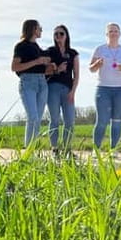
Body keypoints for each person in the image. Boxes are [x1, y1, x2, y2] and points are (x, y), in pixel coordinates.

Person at [89, 22, 121, 149]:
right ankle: (96, 150)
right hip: (103, 88)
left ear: (119, 34)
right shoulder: (100, 49)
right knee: (102, 121)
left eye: (116, 31)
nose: (113, 33)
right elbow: (91, 68)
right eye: (111, 31)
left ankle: (113, 150)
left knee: (116, 120)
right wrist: (97, 64)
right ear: (106, 34)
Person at [11, 19, 50, 147]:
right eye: (40, 28)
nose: (41, 30)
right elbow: (15, 67)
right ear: (33, 29)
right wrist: (36, 62)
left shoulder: (37, 47)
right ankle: (28, 151)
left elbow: (40, 65)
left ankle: (34, 148)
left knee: (38, 119)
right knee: (32, 117)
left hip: (42, 82)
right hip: (28, 82)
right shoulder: (21, 46)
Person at [45, 24, 79, 154]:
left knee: (69, 120)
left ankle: (66, 148)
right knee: (54, 119)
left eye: (61, 34)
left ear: (66, 36)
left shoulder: (73, 53)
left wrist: (73, 92)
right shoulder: (49, 51)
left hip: (67, 89)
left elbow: (76, 75)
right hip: (52, 88)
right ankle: (54, 148)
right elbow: (44, 71)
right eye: (56, 34)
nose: (58, 36)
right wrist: (56, 69)